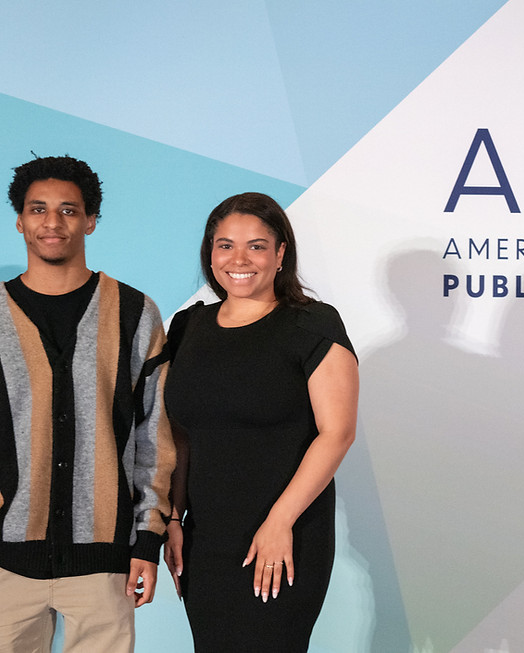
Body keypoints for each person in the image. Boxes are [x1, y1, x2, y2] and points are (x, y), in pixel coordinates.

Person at [163, 192, 358, 652]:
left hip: (285, 533)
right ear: (210, 254)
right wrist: (172, 516)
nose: (239, 259)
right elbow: (183, 433)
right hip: (205, 536)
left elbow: (337, 434)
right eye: (225, 245)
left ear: (280, 253)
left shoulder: (312, 324)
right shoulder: (188, 327)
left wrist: (279, 521)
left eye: (256, 245)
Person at [0, 155, 175, 652]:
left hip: (106, 561)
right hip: (4, 561)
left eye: (69, 211)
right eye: (38, 209)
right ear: (19, 219)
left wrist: (147, 541)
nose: (52, 223)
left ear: (91, 220)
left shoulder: (135, 312)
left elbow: (154, 437)